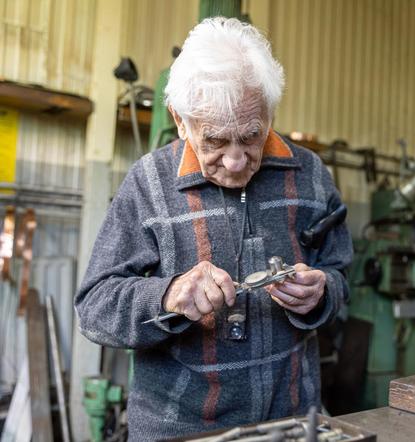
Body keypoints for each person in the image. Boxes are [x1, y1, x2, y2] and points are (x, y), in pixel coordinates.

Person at [75, 17, 352, 440]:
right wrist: (167, 296)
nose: (237, 160)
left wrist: (322, 293)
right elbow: (94, 307)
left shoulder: (310, 175)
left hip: (293, 424)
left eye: (252, 136)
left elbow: (340, 275)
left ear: (269, 113)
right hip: (180, 430)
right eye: (216, 142)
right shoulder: (149, 183)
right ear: (180, 120)